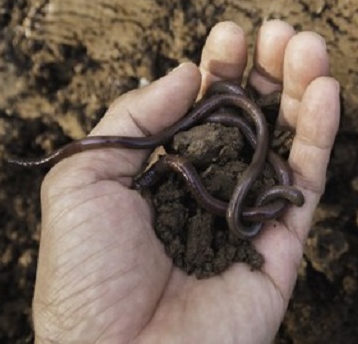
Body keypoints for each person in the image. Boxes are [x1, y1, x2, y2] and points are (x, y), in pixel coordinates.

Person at [32, 20, 341, 343]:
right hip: (235, 194)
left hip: (238, 179)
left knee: (238, 143)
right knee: (227, 150)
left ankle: (243, 145)